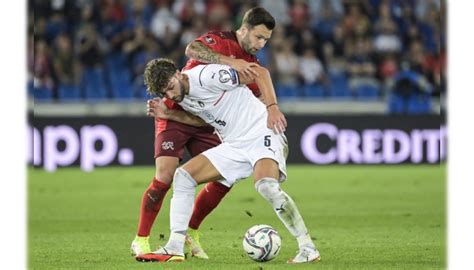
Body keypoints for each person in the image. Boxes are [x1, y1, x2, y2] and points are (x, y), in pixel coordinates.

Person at [136, 58, 321, 264]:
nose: (170, 95)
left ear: (179, 74)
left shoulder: (208, 76)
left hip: (261, 131)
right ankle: (175, 246)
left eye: (170, 87)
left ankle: (307, 247)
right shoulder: (181, 97)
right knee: (183, 176)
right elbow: (203, 120)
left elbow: (260, 72)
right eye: (164, 93)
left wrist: (272, 107)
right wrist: (169, 113)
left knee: (266, 187)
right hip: (234, 144)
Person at [131, 7, 278, 259]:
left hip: (205, 119)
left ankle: (191, 233)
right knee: (165, 176)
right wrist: (230, 61)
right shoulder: (221, 40)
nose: (261, 43)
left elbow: (255, 94)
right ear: (245, 30)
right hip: (175, 112)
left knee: (224, 177)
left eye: (266, 40)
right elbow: (192, 50)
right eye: (259, 37)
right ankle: (141, 239)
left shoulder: (253, 66)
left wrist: (269, 111)